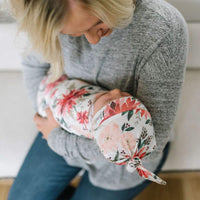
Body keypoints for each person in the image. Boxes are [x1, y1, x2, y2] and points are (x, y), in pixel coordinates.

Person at [7, 0, 189, 199]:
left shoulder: (162, 28)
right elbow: (34, 67)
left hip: (123, 161)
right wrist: (53, 114)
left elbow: (150, 147)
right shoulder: (47, 14)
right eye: (74, 34)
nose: (93, 40)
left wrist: (59, 140)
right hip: (62, 126)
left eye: (99, 22)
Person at [37, 73, 167, 185]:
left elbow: (57, 100)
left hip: (49, 96)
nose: (116, 91)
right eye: (127, 96)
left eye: (109, 100)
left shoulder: (74, 112)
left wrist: (55, 136)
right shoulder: (102, 118)